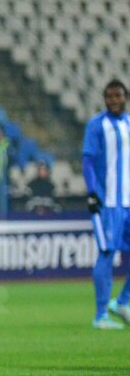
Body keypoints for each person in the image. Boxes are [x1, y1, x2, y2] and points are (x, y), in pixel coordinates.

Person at [82, 79, 130, 329]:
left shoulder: (129, 124)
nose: (113, 100)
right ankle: (100, 315)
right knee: (107, 252)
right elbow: (88, 160)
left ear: (125, 97)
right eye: (109, 96)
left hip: (128, 200)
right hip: (107, 201)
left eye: (118, 95)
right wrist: (92, 192)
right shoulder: (97, 125)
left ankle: (122, 302)